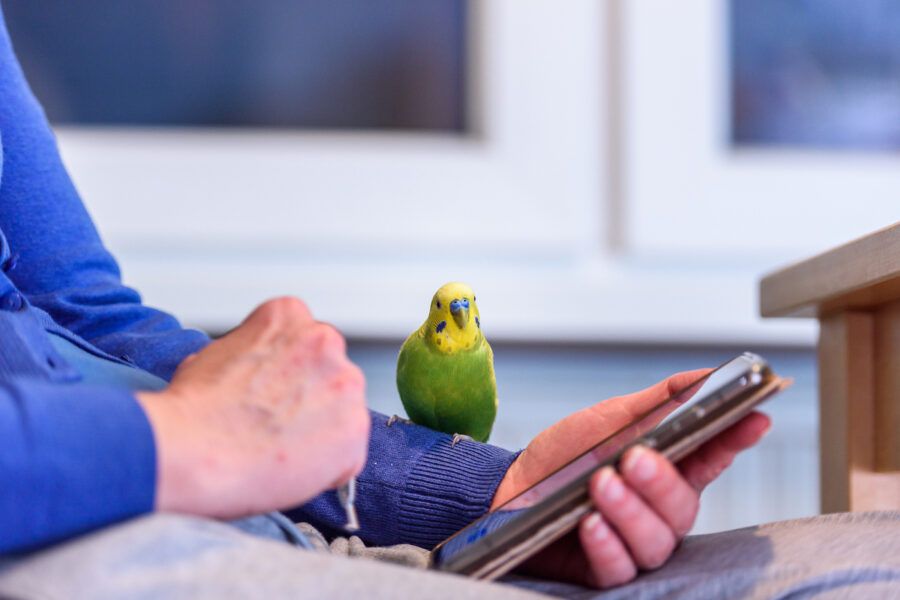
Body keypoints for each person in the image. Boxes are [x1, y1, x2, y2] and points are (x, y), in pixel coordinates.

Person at [2, 7, 900, 599]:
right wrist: (186, 439)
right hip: (107, 537)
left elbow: (87, 319)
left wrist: (490, 494)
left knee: (872, 563)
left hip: (279, 531)